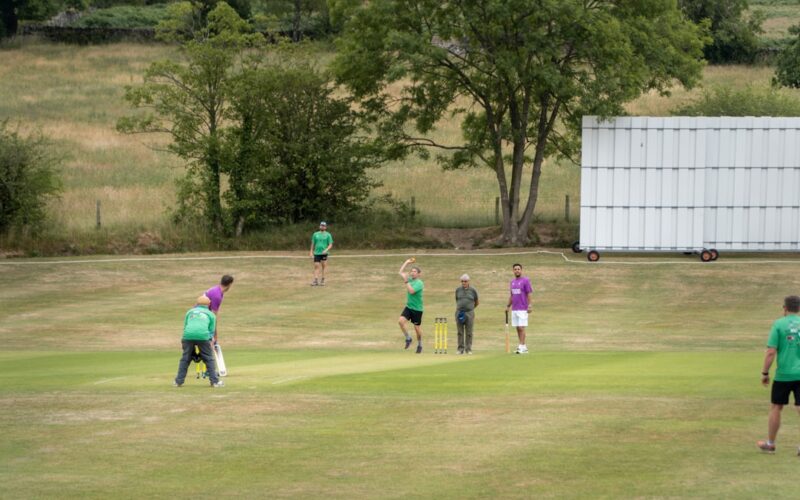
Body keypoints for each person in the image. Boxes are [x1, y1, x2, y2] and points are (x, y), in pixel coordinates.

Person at [757, 295, 800, 453]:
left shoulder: (779, 324)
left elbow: (771, 352)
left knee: (776, 406)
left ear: (785, 308)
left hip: (784, 375)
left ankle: (770, 443)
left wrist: (765, 372)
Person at [174, 295, 224, 387]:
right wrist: (210, 340)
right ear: (209, 304)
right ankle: (215, 382)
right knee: (209, 358)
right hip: (203, 336)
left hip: (187, 336)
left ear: (197, 303)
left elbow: (185, 326)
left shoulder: (189, 312)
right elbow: (211, 330)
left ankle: (178, 382)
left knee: (185, 358)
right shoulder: (210, 314)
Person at [398, 258, 424, 353]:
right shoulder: (409, 280)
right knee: (400, 321)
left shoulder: (419, 283)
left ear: (418, 274)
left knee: (417, 329)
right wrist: (407, 262)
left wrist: (406, 282)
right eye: (411, 271)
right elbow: (400, 272)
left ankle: (420, 344)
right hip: (409, 307)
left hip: (417, 309)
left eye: (415, 271)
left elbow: (411, 291)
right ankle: (408, 338)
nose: (412, 273)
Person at [506, 263, 533, 354]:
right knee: (517, 328)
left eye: (518, 269)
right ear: (513, 271)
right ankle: (523, 347)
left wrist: (530, 305)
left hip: (523, 308)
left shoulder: (525, 280)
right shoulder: (512, 282)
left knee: (522, 327)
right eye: (515, 269)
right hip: (515, 308)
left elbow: (529, 293)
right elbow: (512, 295)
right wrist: (508, 306)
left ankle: (521, 346)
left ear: (521, 270)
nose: (517, 270)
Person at [204, 275, 234, 348]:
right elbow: (213, 317)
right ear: (230, 284)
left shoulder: (216, 289)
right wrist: (215, 336)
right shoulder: (217, 295)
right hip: (202, 318)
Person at [455, 273, 479, 354]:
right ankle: (460, 349)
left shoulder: (473, 290)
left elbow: (477, 302)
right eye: (462, 281)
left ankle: (468, 349)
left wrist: (470, 308)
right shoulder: (458, 290)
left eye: (465, 281)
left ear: (468, 281)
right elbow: (457, 300)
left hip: (469, 313)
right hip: (459, 312)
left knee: (469, 332)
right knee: (460, 332)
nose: (463, 283)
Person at [310, 221, 333, 286]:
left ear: (325, 227)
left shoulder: (328, 235)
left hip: (324, 254)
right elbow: (313, 243)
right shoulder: (315, 234)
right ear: (319, 226)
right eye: (321, 225)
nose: (322, 226)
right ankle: (315, 280)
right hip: (317, 253)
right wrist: (311, 252)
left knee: (323, 267)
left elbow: (330, 244)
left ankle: (323, 280)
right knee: (316, 266)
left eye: (323, 226)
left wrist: (326, 250)